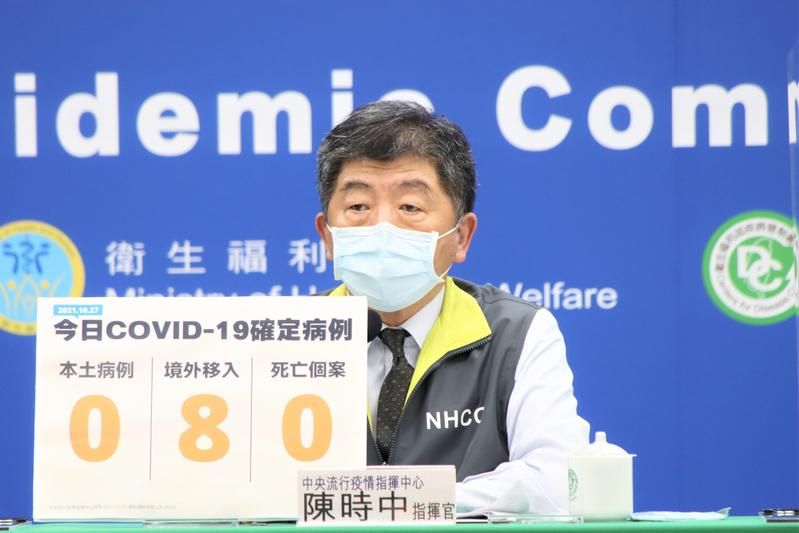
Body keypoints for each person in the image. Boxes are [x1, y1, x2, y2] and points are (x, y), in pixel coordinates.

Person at [314, 100, 589, 515]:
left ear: (461, 237)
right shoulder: (284, 338)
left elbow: (556, 481)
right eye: (358, 207)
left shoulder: (517, 334)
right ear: (327, 236)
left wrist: (395, 503)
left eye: (409, 206)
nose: (382, 226)